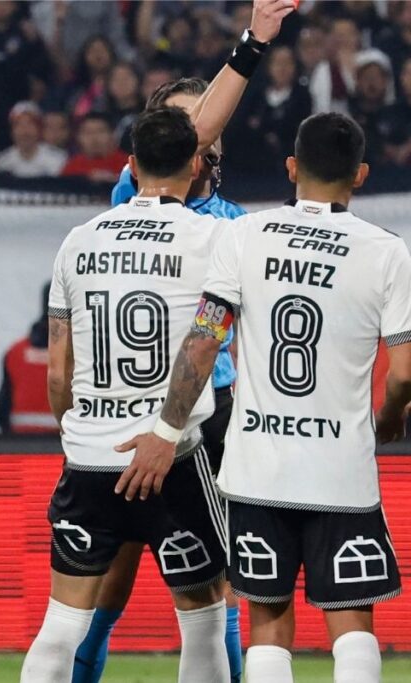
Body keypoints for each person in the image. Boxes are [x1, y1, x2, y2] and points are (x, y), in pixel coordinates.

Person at [21, 4, 295, 681]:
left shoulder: (104, 233)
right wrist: (255, 44)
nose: (213, 128)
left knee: (205, 596)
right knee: (145, 591)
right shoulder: (211, 231)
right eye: (199, 121)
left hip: (205, 410)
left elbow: (62, 371)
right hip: (179, 426)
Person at [117, 112, 410, 683]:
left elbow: (203, 343)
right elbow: (404, 373)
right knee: (351, 624)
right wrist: (389, 417)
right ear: (362, 174)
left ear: (292, 167)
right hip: (339, 467)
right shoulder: (387, 252)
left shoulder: (243, 235)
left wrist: (165, 431)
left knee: (268, 622)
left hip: (257, 469)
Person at [83, 77, 249, 683]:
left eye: (207, 124)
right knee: (114, 570)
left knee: (215, 582)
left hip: (215, 408)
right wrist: (251, 46)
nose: (200, 135)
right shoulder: (135, 196)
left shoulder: (237, 223)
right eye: (187, 124)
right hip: (134, 408)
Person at [0, 283, 59, 435]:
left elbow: (0, 413)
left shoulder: (16, 353)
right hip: (64, 450)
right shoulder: (83, 355)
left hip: (21, 447)